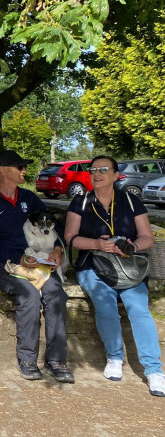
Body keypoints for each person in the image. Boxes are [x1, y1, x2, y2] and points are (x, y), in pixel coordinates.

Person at [64, 155, 165, 397]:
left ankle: (154, 370)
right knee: (106, 305)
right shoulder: (80, 201)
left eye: (103, 169)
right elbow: (71, 237)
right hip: (92, 265)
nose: (96, 174)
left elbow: (146, 236)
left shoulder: (131, 201)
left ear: (116, 175)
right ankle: (114, 357)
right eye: (92, 170)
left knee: (138, 307)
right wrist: (97, 244)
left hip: (128, 266)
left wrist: (132, 247)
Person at [0, 150, 72, 383]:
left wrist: (57, 249)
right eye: (19, 167)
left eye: (24, 167)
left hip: (40, 262)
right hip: (5, 264)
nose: (24, 171)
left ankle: (56, 360)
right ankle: (27, 358)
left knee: (55, 294)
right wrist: (15, 258)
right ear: (2, 170)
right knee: (29, 295)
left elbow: (54, 225)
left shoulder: (30, 198)